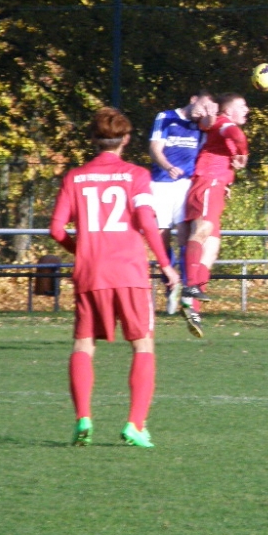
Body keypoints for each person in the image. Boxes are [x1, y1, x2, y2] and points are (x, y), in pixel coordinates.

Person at [49, 107, 181, 448]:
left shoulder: (74, 177)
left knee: (83, 344)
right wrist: (166, 264)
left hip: (90, 271)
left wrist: (81, 249)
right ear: (125, 139)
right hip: (129, 270)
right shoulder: (136, 175)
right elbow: (147, 222)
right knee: (143, 344)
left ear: (93, 139)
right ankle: (135, 424)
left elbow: (55, 229)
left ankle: (83, 418)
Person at [179, 92, 250, 337]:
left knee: (211, 249)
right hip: (207, 183)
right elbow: (237, 136)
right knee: (202, 231)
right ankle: (189, 289)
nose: (247, 110)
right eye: (243, 106)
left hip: (216, 187)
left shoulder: (220, 126)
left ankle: (192, 308)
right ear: (228, 111)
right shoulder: (224, 123)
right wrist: (243, 154)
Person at [148, 92, 217, 315]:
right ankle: (171, 285)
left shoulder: (202, 126)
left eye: (210, 108)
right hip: (161, 183)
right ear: (193, 98)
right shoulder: (166, 117)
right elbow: (154, 149)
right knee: (161, 238)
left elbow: (211, 130)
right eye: (203, 105)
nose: (203, 111)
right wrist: (168, 166)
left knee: (186, 236)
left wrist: (209, 115)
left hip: (186, 186)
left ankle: (189, 291)